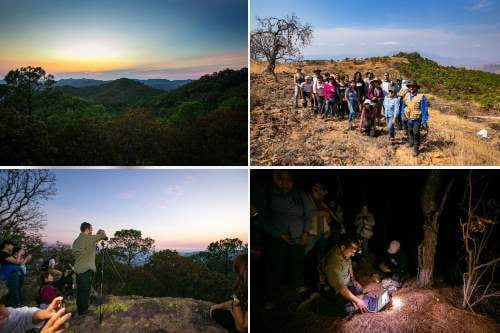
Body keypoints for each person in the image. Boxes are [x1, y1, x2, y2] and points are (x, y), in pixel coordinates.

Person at [251, 170, 312, 309]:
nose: (285, 182)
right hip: (277, 237)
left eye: (288, 179)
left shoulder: (300, 194)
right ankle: (272, 297)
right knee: (275, 268)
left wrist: (305, 233)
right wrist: (277, 234)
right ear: (275, 178)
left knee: (296, 265)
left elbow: (307, 215)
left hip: (298, 236)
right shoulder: (267, 193)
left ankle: (295, 289)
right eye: (281, 178)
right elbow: (261, 218)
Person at [314, 236, 368, 316]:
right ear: (343, 247)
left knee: (359, 290)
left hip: (344, 282)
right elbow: (340, 287)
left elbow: (349, 265)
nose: (353, 255)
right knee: (348, 310)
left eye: (354, 253)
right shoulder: (333, 263)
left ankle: (348, 299)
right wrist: (357, 300)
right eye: (351, 252)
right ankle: (318, 304)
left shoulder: (344, 252)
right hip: (330, 287)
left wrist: (354, 281)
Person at [0, 281, 71, 333]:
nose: (7, 313)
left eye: (2, 304)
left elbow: (23, 315)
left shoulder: (8, 316)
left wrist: (46, 313)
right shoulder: (45, 287)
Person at [72, 222, 107, 316]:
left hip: (78, 269)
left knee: (80, 291)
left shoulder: (77, 240)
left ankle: (80, 310)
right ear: (87, 229)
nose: (92, 231)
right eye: (91, 230)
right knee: (85, 291)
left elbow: (88, 245)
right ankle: (83, 312)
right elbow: (103, 236)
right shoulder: (87, 238)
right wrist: (101, 232)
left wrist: (96, 236)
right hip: (86, 270)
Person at [210, 254, 248, 332]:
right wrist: (219, 306)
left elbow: (243, 326)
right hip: (241, 316)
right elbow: (236, 300)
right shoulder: (242, 288)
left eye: (238, 271)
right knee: (216, 312)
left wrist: (235, 307)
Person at [401, 80, 429, 156]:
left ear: (416, 88)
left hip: (417, 119)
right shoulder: (406, 96)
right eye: (410, 87)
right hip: (408, 118)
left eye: (413, 87)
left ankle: (416, 148)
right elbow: (403, 106)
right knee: (409, 131)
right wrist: (402, 115)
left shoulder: (421, 97)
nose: (411, 88)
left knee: (416, 133)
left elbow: (424, 109)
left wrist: (424, 121)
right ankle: (411, 142)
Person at [0, 241, 31, 307]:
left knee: (17, 288)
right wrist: (19, 253)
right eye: (11, 245)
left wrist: (26, 259)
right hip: (10, 273)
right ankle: (17, 304)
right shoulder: (2, 253)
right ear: (6, 245)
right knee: (14, 289)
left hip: (15, 273)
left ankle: (16, 303)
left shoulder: (7, 254)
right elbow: (17, 262)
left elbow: (19, 262)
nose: (13, 247)